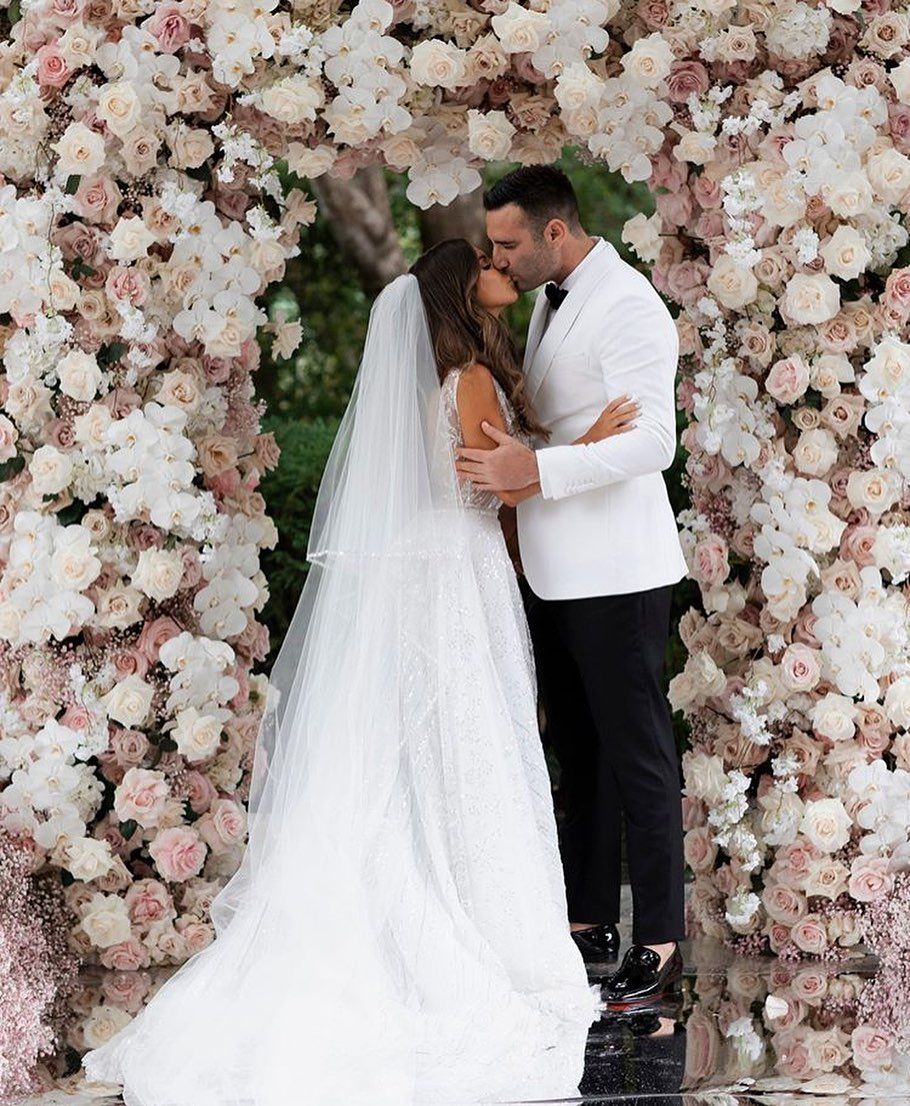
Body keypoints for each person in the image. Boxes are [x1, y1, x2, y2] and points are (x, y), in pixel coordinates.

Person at [80, 238, 639, 1105]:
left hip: (429, 568)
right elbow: (505, 487)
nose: (504, 272)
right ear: (465, 294)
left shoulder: (432, 388)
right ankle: (497, 939)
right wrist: (590, 442)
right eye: (489, 267)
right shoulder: (475, 383)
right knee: (477, 745)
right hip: (461, 575)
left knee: (439, 748)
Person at [455, 165, 689, 1009]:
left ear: (557, 232)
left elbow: (655, 442)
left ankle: (659, 936)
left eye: (510, 243)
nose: (500, 258)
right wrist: (550, 452)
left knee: (638, 756)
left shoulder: (627, 304)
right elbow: (556, 419)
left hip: (618, 572)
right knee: (580, 752)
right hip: (554, 567)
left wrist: (540, 468)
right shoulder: (551, 302)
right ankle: (588, 920)